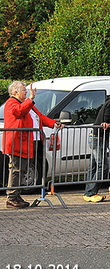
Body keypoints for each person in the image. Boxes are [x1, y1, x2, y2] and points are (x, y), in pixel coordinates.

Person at [3, 81, 62, 209]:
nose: (26, 92)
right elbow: (19, 112)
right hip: (17, 142)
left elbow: (39, 117)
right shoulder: (11, 103)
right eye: (24, 90)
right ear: (15, 92)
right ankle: (11, 197)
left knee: (22, 170)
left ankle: (16, 196)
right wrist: (30, 99)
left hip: (27, 142)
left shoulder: (26, 104)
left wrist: (53, 123)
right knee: (16, 170)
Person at [83, 83, 110, 203]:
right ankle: (91, 192)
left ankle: (89, 192)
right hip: (98, 138)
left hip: (97, 137)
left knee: (93, 166)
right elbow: (107, 120)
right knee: (104, 166)